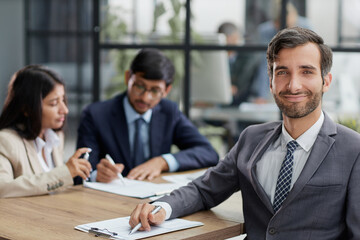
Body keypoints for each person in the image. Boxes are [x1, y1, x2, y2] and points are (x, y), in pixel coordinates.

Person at [129, 27, 360, 239]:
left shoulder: (353, 150)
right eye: (282, 73)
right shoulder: (252, 139)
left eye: (306, 72)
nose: (293, 85)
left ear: (326, 81)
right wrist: (161, 207)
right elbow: (204, 190)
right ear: (270, 82)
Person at [76, 48, 219, 183]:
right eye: (139, 86)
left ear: (167, 90)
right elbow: (79, 171)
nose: (145, 98)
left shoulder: (169, 112)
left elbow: (208, 153)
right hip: (108, 199)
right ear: (128, 78)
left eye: (155, 91)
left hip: (154, 198)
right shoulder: (96, 115)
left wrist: (162, 162)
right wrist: (96, 175)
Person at [0, 65, 92, 198]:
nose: (65, 110)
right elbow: (3, 189)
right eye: (54, 103)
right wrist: (65, 173)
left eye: (63, 100)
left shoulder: (56, 137)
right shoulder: (6, 141)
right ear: (26, 108)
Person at [252, 1, 312, 104]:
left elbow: (310, 62)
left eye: (288, 26)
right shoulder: (265, 31)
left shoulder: (306, 27)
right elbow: (264, 64)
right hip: (275, 82)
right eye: (280, 26)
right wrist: (261, 95)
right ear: (275, 22)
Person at [217, 22, 261, 106]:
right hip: (221, 101)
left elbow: (240, 86)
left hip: (243, 100)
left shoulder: (248, 55)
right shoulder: (218, 57)